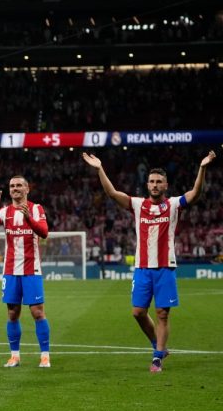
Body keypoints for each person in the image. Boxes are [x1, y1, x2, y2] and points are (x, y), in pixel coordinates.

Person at [83, 150, 216, 372]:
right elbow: (112, 193)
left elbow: (195, 193)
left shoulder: (174, 205)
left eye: (159, 182)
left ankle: (157, 358)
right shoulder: (137, 205)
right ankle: (158, 345)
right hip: (142, 268)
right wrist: (100, 169)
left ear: (165, 185)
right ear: (147, 185)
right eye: (151, 181)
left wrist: (202, 168)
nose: (154, 185)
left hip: (165, 267)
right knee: (138, 312)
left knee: (162, 313)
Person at [0, 175, 51, 368]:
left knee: (37, 312)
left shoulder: (36, 209)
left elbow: (44, 232)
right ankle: (15, 356)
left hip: (32, 268)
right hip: (11, 269)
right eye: (12, 186)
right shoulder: (4, 212)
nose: (15, 188)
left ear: (27, 189)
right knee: (13, 313)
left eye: (19, 185)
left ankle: (45, 355)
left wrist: (28, 217)